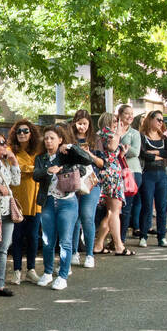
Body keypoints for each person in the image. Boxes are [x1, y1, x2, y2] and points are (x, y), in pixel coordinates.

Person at [33, 125, 93, 289]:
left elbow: (87, 160)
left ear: (60, 140)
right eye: (46, 138)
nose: (48, 141)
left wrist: (72, 147)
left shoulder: (66, 155)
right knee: (47, 240)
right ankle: (47, 272)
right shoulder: (41, 158)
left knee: (65, 240)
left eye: (52, 138)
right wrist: (48, 171)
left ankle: (63, 276)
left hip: (67, 202)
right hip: (48, 202)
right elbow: (36, 175)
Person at [92, 113, 132, 257]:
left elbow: (111, 153)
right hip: (110, 174)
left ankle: (98, 244)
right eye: (115, 120)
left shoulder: (100, 134)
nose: (117, 123)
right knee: (114, 211)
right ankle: (119, 246)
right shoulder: (108, 133)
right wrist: (118, 134)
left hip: (108, 173)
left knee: (111, 212)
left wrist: (122, 151)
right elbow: (111, 147)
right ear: (107, 121)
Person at [8, 120, 42, 284]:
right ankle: (16, 270)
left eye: (25, 131)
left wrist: (31, 169)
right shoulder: (10, 151)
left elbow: (41, 169)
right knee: (17, 236)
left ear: (31, 133)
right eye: (19, 131)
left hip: (35, 200)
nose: (22, 133)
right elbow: (16, 168)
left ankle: (31, 269)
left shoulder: (38, 151)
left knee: (33, 236)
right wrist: (33, 169)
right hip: (17, 200)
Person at [0, 133, 23, 296]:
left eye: (5, 143)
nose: (5, 146)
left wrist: (14, 161)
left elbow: (16, 182)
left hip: (8, 209)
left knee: (3, 248)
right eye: (2, 143)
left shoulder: (4, 163)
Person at [69, 110, 103, 267]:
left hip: (91, 182)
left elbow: (102, 163)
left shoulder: (95, 139)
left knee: (87, 216)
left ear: (89, 124)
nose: (81, 127)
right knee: (74, 218)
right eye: (79, 123)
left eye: (85, 124)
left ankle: (90, 254)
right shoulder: (69, 138)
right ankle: (74, 252)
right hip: (73, 181)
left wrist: (89, 154)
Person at [137, 112, 167, 246]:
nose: (160, 123)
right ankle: (143, 235)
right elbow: (143, 154)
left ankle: (162, 236)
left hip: (161, 174)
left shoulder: (163, 138)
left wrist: (156, 152)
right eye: (158, 120)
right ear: (150, 120)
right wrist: (156, 157)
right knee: (146, 205)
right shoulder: (142, 137)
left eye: (162, 121)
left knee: (162, 206)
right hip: (148, 173)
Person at [116, 105, 143, 246]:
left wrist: (120, 146)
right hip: (115, 172)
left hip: (131, 172)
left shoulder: (135, 133)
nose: (130, 116)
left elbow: (135, 152)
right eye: (127, 113)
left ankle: (122, 238)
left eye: (132, 114)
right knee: (114, 208)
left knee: (126, 207)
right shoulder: (113, 130)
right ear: (119, 114)